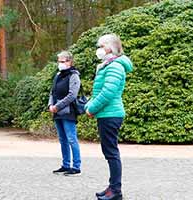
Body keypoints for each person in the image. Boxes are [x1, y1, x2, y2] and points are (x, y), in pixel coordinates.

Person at [85, 33, 133, 200]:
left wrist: (91, 108)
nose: (99, 50)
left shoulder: (115, 66)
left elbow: (107, 93)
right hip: (106, 114)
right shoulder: (108, 65)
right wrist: (88, 105)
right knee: (109, 152)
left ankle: (116, 191)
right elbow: (98, 92)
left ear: (111, 48)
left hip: (111, 114)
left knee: (111, 152)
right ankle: (112, 187)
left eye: (102, 46)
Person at [49, 51, 82, 176]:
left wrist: (57, 106)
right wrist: (50, 105)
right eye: (59, 61)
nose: (60, 64)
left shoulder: (74, 76)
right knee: (62, 139)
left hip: (68, 112)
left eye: (63, 61)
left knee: (71, 139)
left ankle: (76, 166)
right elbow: (52, 92)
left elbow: (72, 95)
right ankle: (66, 164)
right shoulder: (58, 75)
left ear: (70, 62)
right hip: (57, 112)